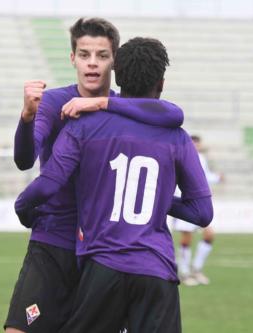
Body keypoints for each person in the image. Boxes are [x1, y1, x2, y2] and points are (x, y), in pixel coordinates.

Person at [15, 37, 213, 333]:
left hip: (102, 266)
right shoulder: (177, 136)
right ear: (161, 83)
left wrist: (22, 206)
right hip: (155, 269)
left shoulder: (85, 125)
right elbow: (202, 213)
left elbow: (49, 183)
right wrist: (157, 196)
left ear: (117, 77)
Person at [172, 135, 223, 286]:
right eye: (193, 142)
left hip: (198, 202)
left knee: (209, 234)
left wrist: (216, 178)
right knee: (186, 237)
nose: (196, 145)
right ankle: (184, 273)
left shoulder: (200, 157)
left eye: (197, 143)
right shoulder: (181, 154)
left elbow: (203, 177)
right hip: (184, 200)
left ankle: (196, 269)